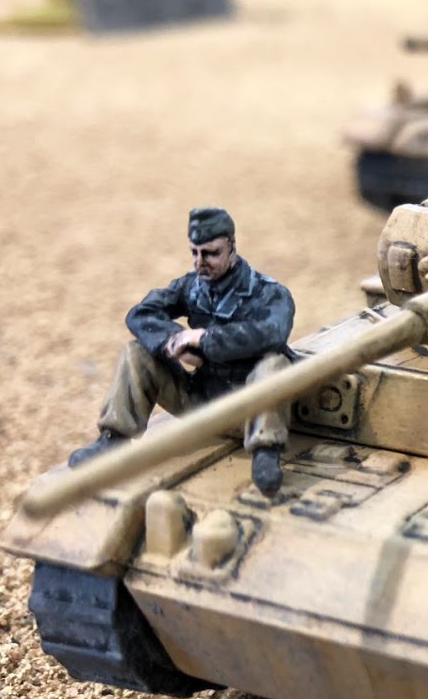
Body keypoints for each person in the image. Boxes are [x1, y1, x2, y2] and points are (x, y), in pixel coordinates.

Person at [67, 207, 295, 496]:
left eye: (211, 253)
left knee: (274, 364)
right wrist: (174, 340)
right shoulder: (192, 287)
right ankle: (114, 438)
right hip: (201, 403)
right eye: (194, 253)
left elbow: (272, 332)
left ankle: (266, 450)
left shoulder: (268, 293)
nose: (201, 262)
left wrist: (205, 340)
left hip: (250, 406)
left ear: (232, 248)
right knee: (136, 352)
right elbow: (140, 313)